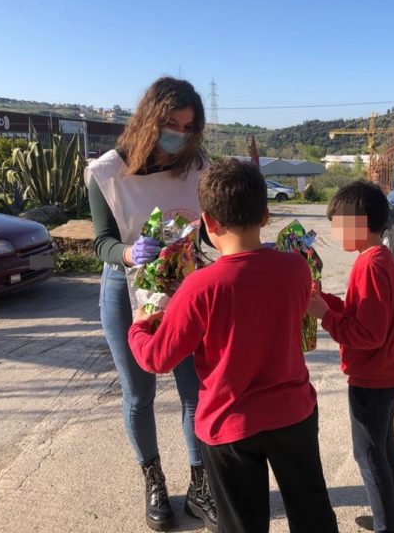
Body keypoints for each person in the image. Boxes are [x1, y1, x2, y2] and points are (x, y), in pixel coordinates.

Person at [128, 159, 339, 533]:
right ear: (265, 214)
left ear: (208, 223)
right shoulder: (296, 269)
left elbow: (158, 357)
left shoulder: (200, 288)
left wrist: (139, 328)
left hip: (229, 425)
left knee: (242, 524)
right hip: (294, 413)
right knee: (313, 513)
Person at [85, 77, 216, 531]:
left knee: (194, 392)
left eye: (188, 126)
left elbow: (206, 226)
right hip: (127, 290)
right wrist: (126, 252)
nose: (178, 133)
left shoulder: (196, 164)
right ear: (149, 119)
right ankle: (154, 479)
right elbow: (101, 241)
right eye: (170, 123)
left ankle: (201, 485)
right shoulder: (107, 172)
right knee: (139, 394)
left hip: (184, 289)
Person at [306, 180, 394, 533]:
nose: (335, 231)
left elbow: (368, 334)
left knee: (369, 456)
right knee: (384, 448)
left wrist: (325, 317)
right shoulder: (379, 258)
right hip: (387, 371)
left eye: (339, 223)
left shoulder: (370, 265)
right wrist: (328, 303)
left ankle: (388, 527)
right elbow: (360, 312)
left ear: (360, 221)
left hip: (372, 376)